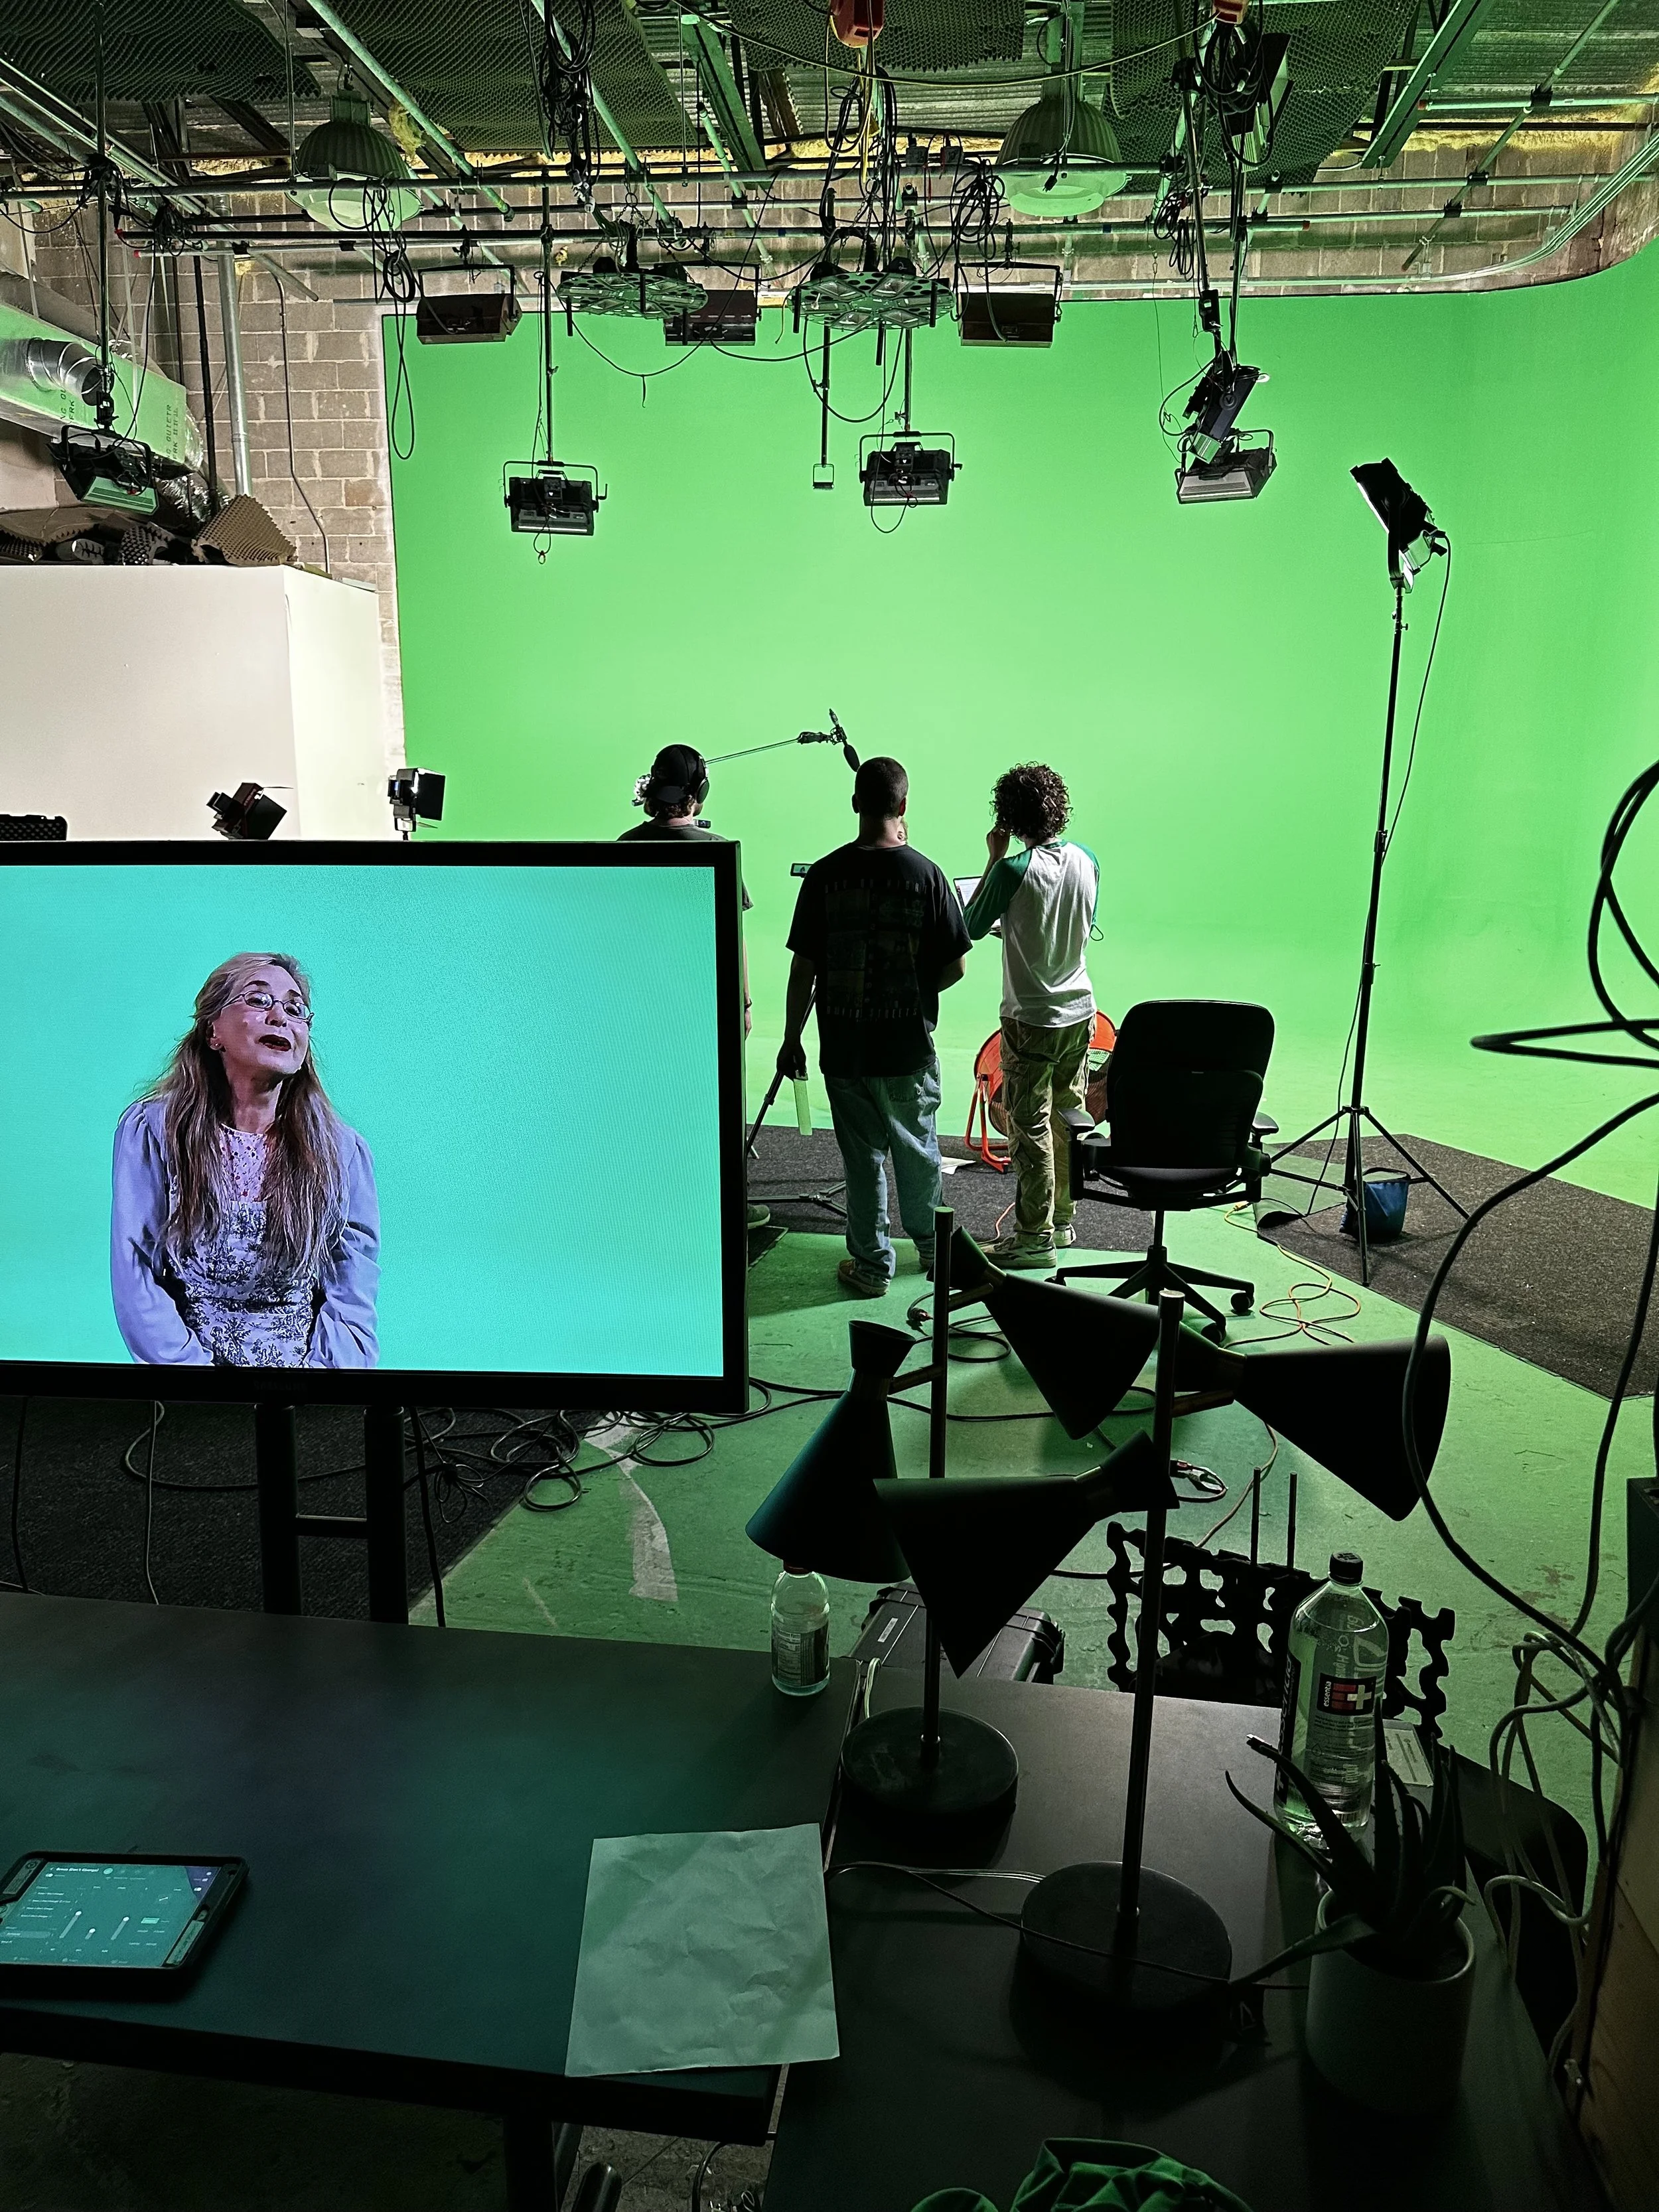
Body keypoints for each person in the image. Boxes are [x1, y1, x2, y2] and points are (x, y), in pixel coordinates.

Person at [111, 953, 379, 1367]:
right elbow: (136, 1273)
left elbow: (352, 1295)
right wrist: (199, 1384)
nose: (281, 1017)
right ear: (213, 1030)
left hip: (307, 1390)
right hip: (189, 1386)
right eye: (258, 1000)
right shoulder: (155, 1131)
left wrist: (317, 1387)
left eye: (295, 1008)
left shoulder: (342, 1151)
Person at [777, 755, 970, 1296]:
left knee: (862, 1162)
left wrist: (791, 1037)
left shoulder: (824, 876)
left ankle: (870, 1266)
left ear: (856, 803)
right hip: (907, 1048)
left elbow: (803, 968)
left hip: (844, 1050)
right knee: (918, 1153)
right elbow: (956, 965)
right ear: (903, 805)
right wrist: (918, 994)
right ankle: (934, 1252)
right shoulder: (928, 875)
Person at [621, 742, 768, 1227]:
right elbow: (735, 936)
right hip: (704, 1006)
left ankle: (648, 1203)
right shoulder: (717, 850)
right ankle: (716, 1210)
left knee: (645, 1103)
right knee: (709, 1109)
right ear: (698, 792)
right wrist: (744, 1003)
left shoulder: (625, 847)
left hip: (640, 1007)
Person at [963, 763, 1100, 1268]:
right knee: (1068, 1116)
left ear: (1009, 816)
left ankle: (1033, 1237)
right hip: (1080, 1013)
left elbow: (968, 926)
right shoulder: (1088, 860)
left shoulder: (1010, 870)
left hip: (1031, 1018)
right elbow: (1076, 922)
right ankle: (1062, 1221)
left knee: (1030, 1127)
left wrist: (993, 858)